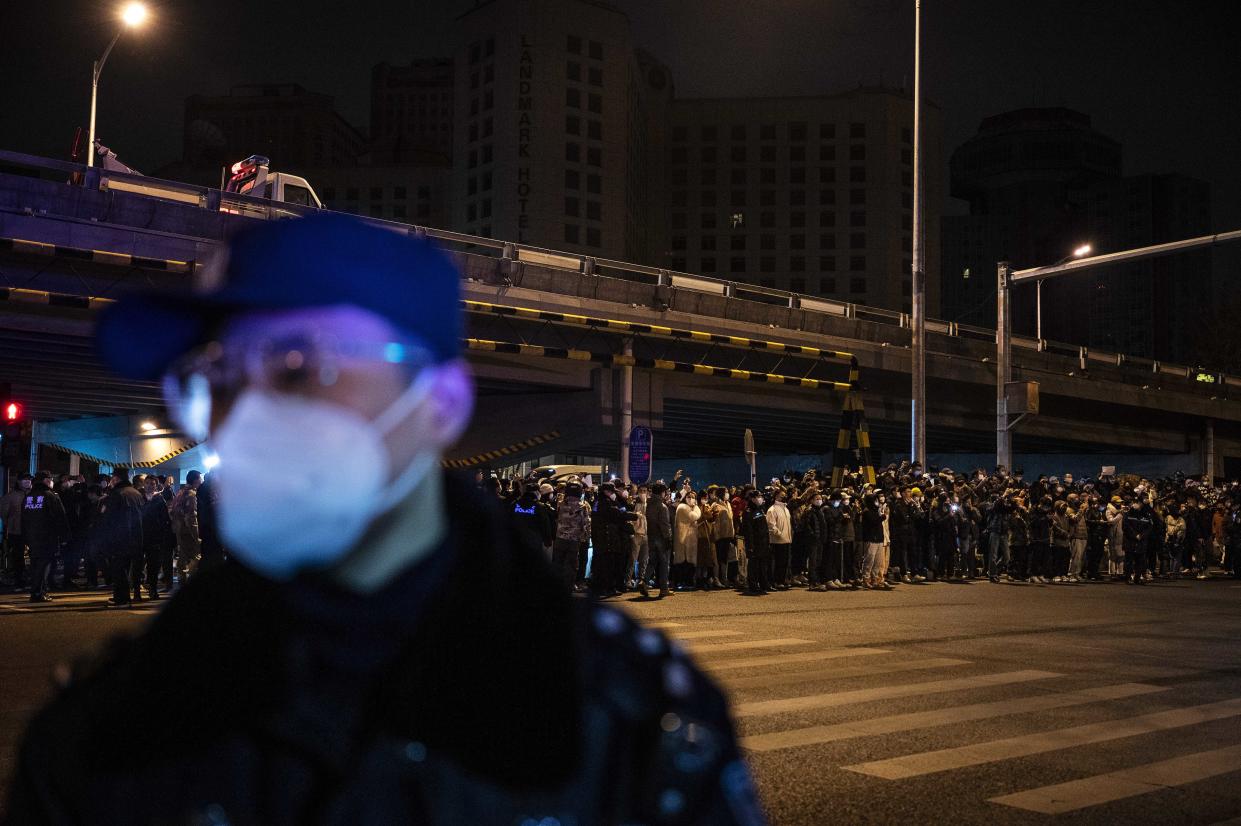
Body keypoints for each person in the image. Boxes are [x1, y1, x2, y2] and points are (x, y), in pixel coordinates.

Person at [7, 214, 757, 824]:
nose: (248, 413)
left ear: (441, 402)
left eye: (299, 364)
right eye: (218, 375)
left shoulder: (632, 719)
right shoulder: (110, 724)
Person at [95, 467, 146, 606]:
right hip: (137, 537)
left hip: (119, 538)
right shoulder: (136, 493)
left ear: (116, 478)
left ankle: (122, 598)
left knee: (119, 569)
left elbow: (108, 518)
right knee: (130, 568)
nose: (111, 480)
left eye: (112, 478)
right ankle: (127, 596)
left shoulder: (116, 494)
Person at [21, 472, 68, 603]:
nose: (52, 481)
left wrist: (25, 537)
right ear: (46, 481)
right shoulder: (50, 496)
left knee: (35, 565)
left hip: (32, 537)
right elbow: (60, 517)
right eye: (51, 479)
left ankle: (36, 591)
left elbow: (23, 519)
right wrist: (64, 536)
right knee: (44, 565)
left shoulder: (29, 497)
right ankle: (38, 592)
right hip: (47, 537)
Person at [170, 471, 202, 580]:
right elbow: (191, 516)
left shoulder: (180, 492)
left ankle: (181, 578)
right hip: (187, 531)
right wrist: (196, 536)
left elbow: (172, 511)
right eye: (200, 478)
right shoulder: (191, 494)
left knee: (183, 555)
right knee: (196, 556)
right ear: (195, 480)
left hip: (178, 529)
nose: (201, 481)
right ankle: (191, 580)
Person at [1, 474, 31, 587]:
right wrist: (9, 524)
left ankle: (29, 577)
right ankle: (19, 578)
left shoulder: (32, 494)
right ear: (18, 481)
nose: (27, 481)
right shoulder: (11, 496)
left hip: (30, 530)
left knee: (33, 555)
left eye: (29, 479)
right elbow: (4, 513)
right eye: (25, 479)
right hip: (16, 530)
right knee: (18, 556)